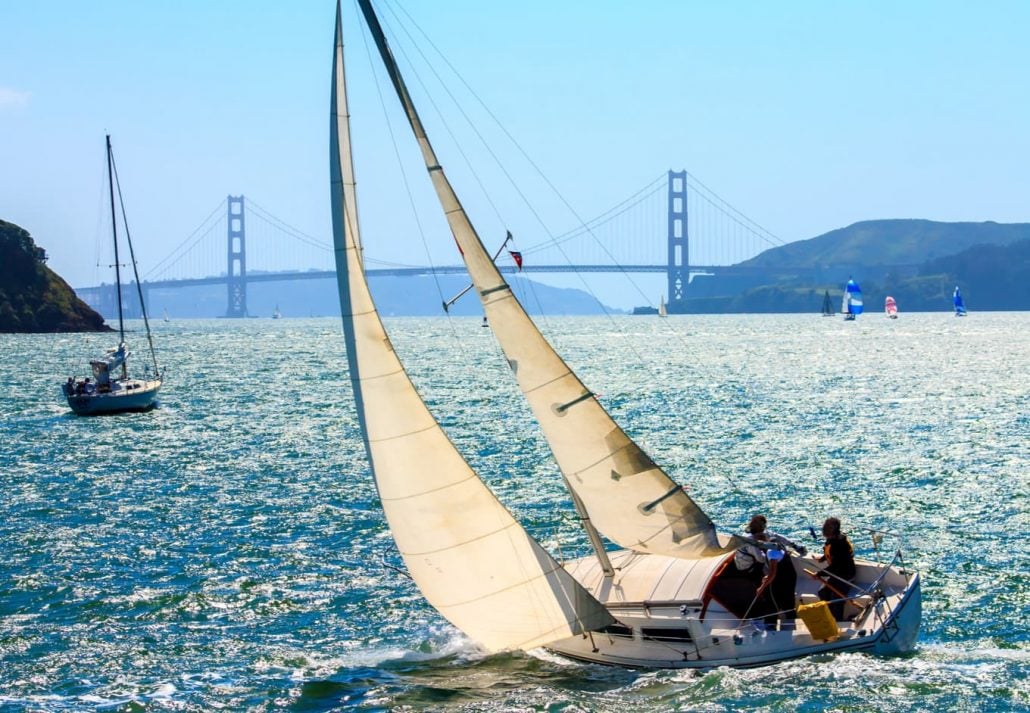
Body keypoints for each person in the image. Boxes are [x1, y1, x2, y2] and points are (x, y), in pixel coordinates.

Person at [743, 514, 807, 629]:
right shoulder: (777, 545)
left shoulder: (771, 552)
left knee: (772, 601)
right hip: (790, 576)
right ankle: (790, 626)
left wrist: (762, 586)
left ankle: (770, 626)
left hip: (780, 578)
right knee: (789, 602)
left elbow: (771, 572)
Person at [816, 516, 856, 621]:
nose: (823, 528)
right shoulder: (831, 540)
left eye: (827, 526)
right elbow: (831, 554)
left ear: (833, 528)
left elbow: (836, 566)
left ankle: (838, 622)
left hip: (845, 575)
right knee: (822, 592)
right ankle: (830, 617)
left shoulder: (839, 543)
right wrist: (823, 558)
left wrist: (819, 573)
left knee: (836, 600)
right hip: (836, 574)